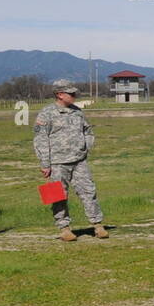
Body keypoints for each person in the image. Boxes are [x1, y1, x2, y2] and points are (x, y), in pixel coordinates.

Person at [33, 80, 108, 241]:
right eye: (71, 94)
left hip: (79, 161)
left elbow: (88, 131)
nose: (74, 96)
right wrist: (45, 164)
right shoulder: (46, 114)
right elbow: (40, 140)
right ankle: (64, 228)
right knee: (57, 196)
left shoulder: (78, 112)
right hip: (57, 163)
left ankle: (97, 225)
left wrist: (85, 147)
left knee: (89, 192)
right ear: (60, 95)